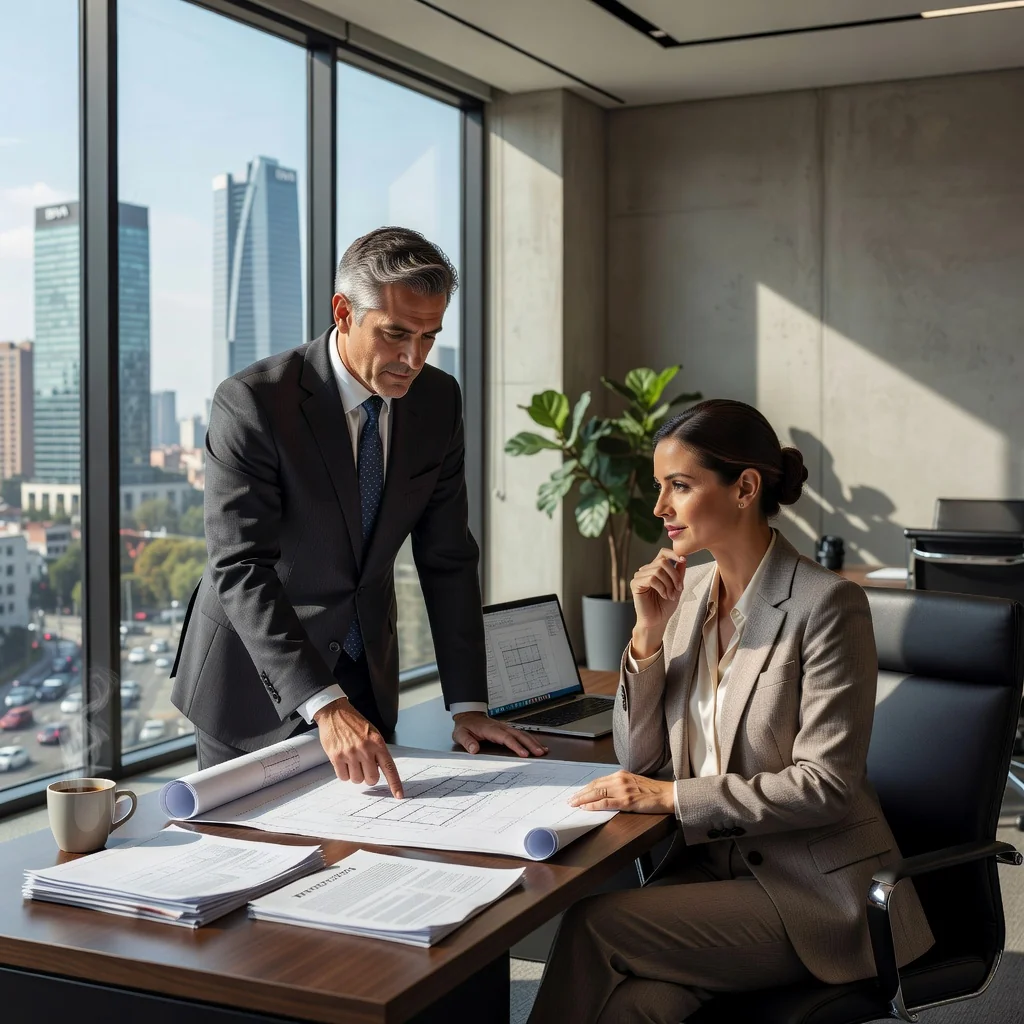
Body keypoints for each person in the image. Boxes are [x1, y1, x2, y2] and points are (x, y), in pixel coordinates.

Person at [528, 399, 933, 1023]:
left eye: (679, 487)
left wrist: (671, 800)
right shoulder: (686, 596)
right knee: (634, 1007)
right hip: (710, 877)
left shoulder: (826, 606)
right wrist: (647, 639)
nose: (659, 507)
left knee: (596, 924)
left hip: (812, 893)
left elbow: (825, 787)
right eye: (660, 488)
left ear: (744, 488)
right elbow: (642, 761)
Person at [171, 227, 545, 788]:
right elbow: (240, 566)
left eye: (428, 337)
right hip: (252, 684)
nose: (413, 359)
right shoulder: (253, 402)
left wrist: (468, 703)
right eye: (396, 334)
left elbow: (447, 556)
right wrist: (323, 704)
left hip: (366, 673)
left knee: (367, 856)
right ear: (343, 312)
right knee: (256, 858)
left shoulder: (439, 401)